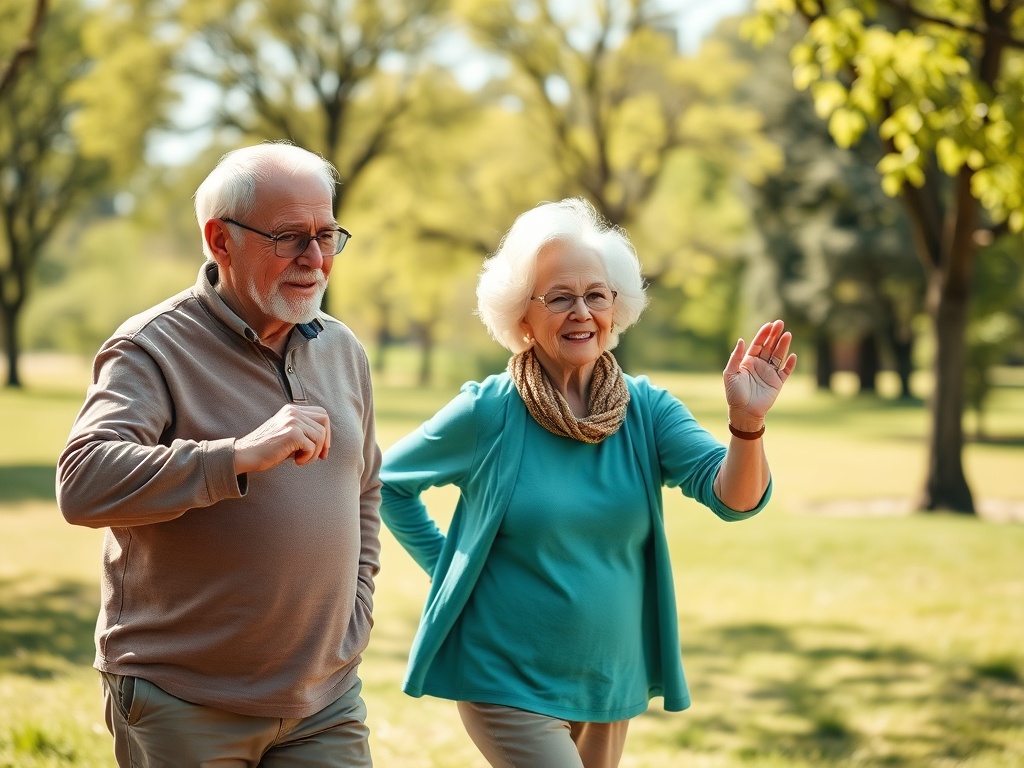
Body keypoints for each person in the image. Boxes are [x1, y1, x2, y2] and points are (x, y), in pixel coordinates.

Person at [378, 197, 796, 768]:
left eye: (596, 295)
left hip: (607, 680)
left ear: (615, 309)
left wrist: (747, 427)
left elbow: (734, 500)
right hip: (505, 674)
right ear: (521, 317)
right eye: (559, 297)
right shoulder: (488, 412)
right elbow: (389, 483)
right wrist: (453, 574)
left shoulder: (646, 410)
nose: (581, 312)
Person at [56, 141, 381, 767]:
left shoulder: (343, 350)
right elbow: (83, 482)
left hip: (326, 701)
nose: (315, 259)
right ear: (220, 240)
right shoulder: (151, 347)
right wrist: (235, 456)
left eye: (327, 235)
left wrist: (356, 612)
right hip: (186, 700)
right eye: (289, 238)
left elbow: (364, 487)